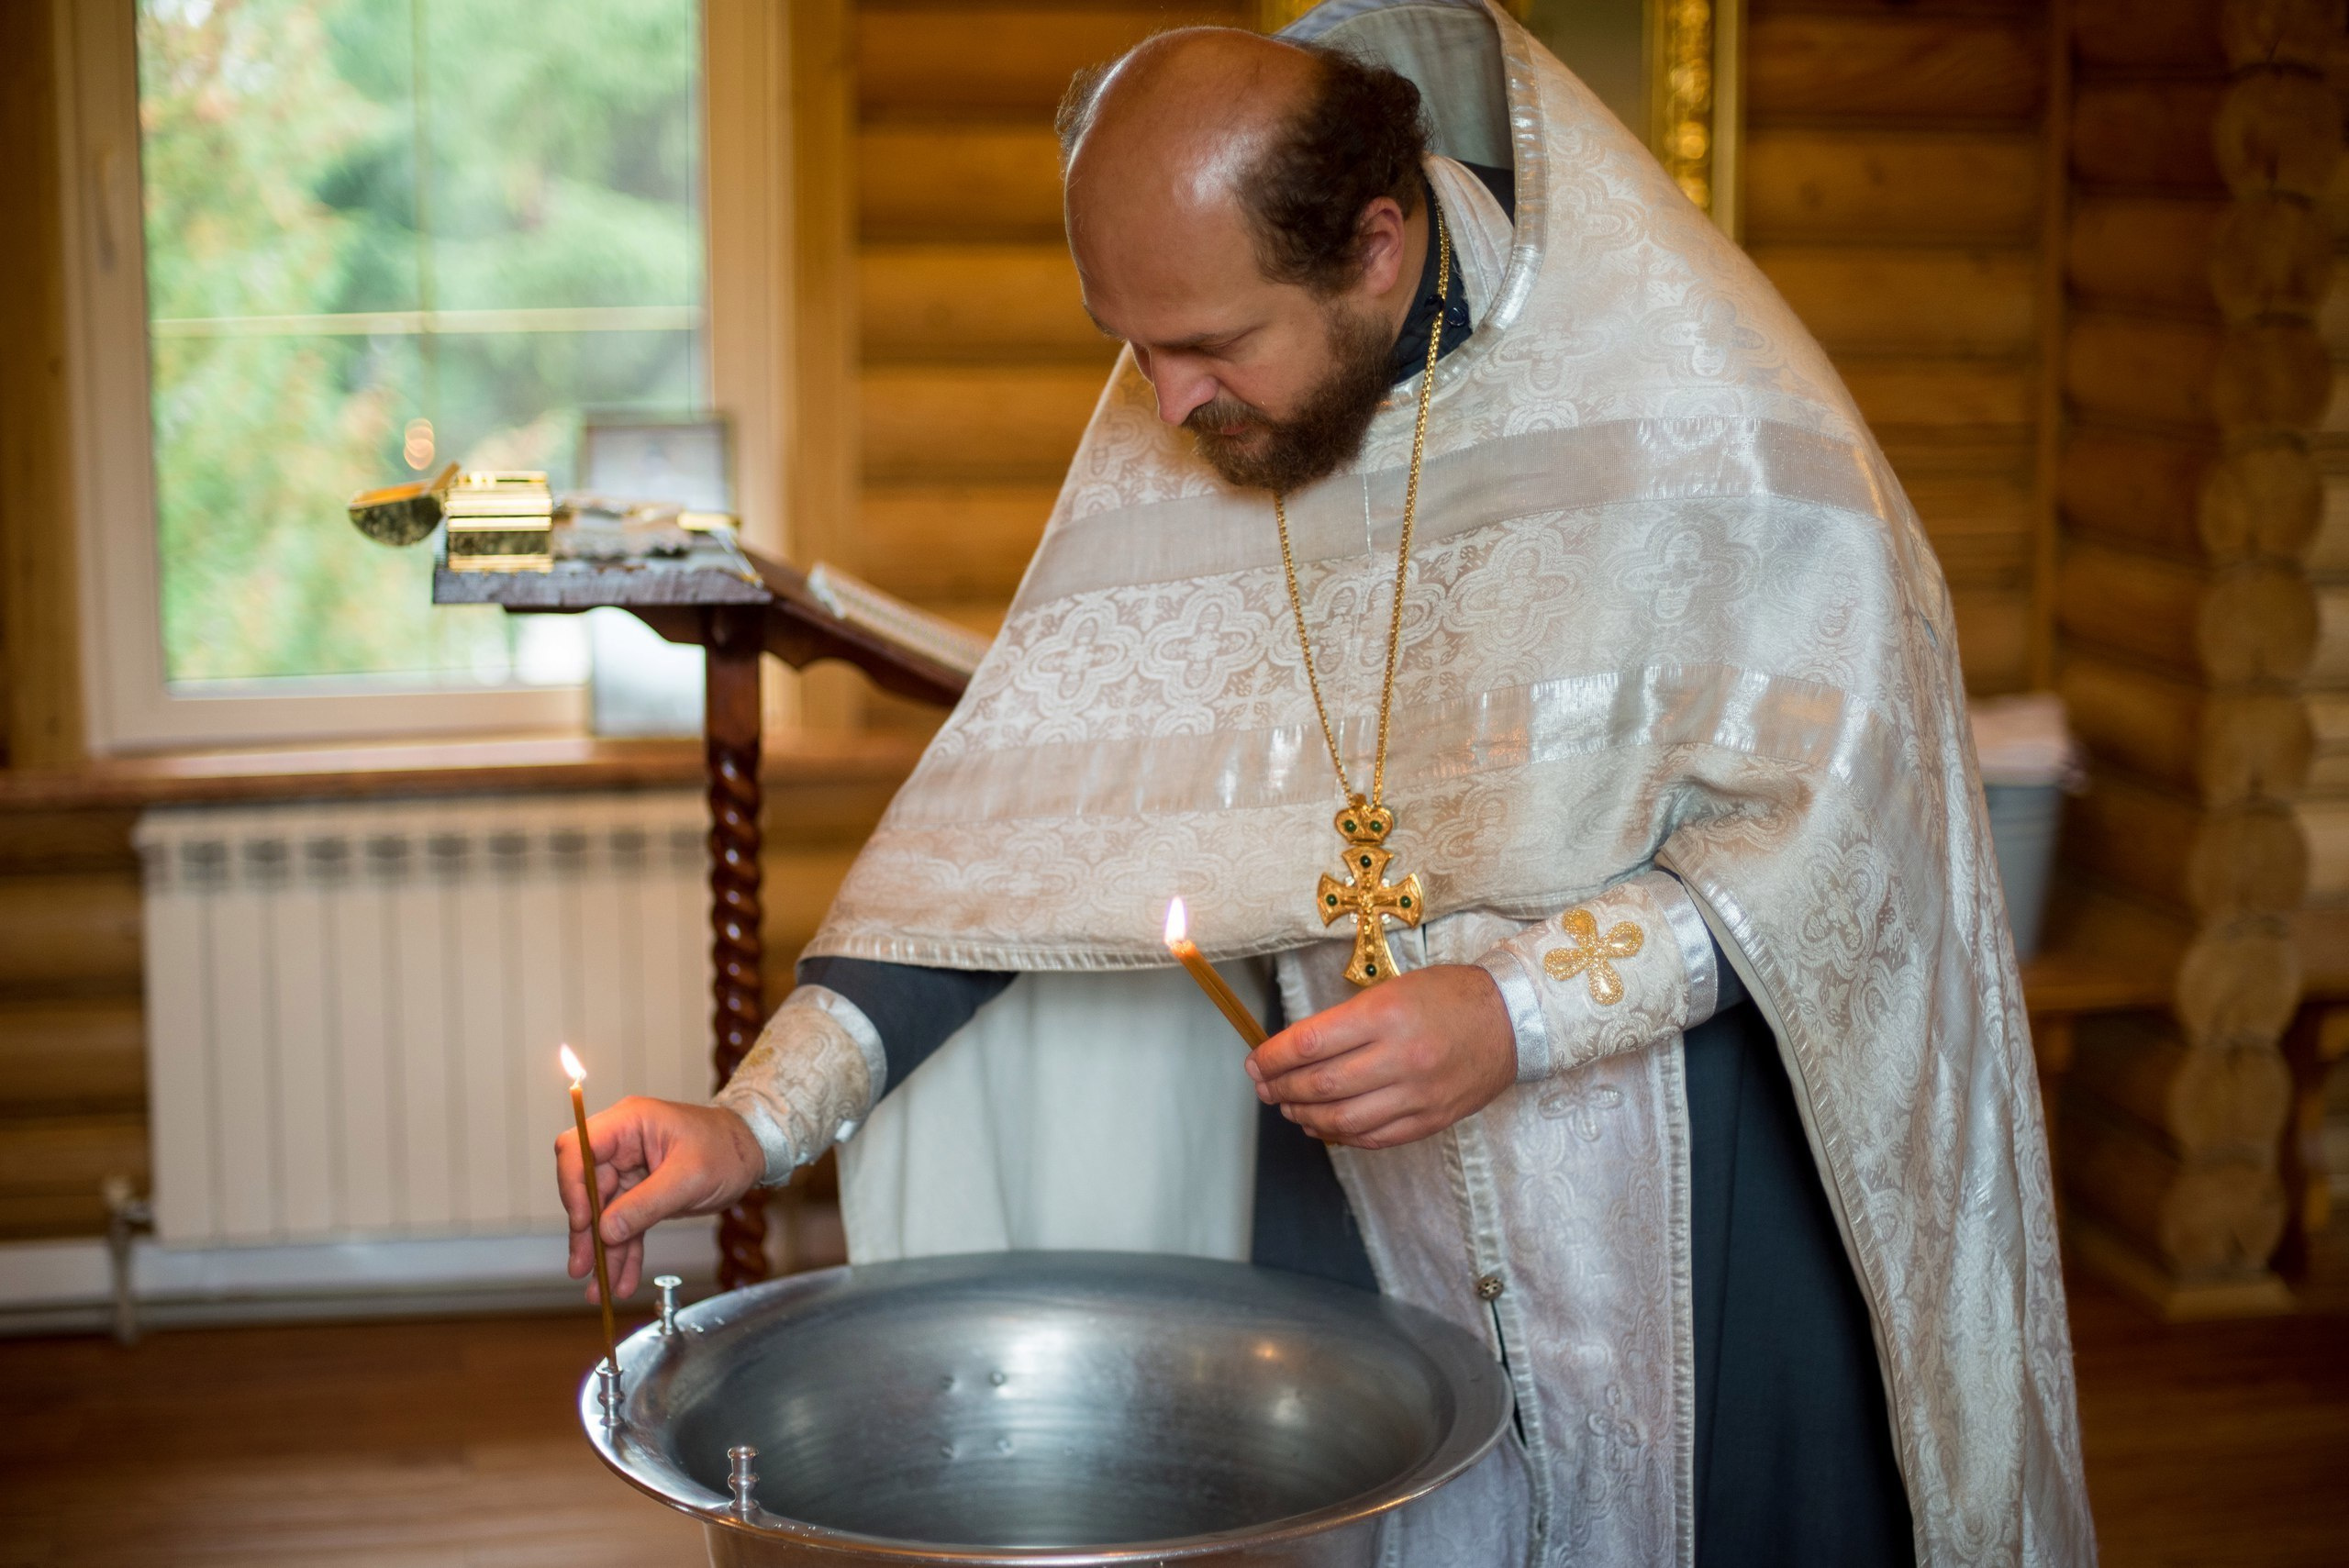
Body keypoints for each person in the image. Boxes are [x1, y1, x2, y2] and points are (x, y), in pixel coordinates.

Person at [556, 6, 2094, 1563]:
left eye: (1212, 348)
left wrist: (1519, 1010)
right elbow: (1012, 836)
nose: (1163, 410)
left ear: (1374, 243)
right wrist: (751, 1123)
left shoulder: (1722, 425)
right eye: (1133, 349)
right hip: (1355, 1228)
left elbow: (1836, 847)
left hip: (1709, 1212)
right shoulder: (1196, 427)